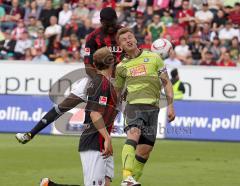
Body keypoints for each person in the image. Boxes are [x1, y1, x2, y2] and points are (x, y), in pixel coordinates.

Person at [16, 47, 117, 186]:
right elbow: (94, 113)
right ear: (112, 61)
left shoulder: (102, 81)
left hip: (99, 138)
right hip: (96, 140)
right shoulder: (99, 83)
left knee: (105, 183)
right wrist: (107, 137)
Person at [114, 27, 175, 186]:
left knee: (145, 151)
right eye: (123, 40)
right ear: (120, 46)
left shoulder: (154, 57)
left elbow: (166, 82)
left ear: (135, 38)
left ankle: (131, 181)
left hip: (153, 108)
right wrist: (113, 111)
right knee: (133, 134)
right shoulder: (121, 67)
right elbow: (118, 92)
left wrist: (170, 106)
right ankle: (126, 177)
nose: (128, 40)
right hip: (134, 106)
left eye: (130, 37)